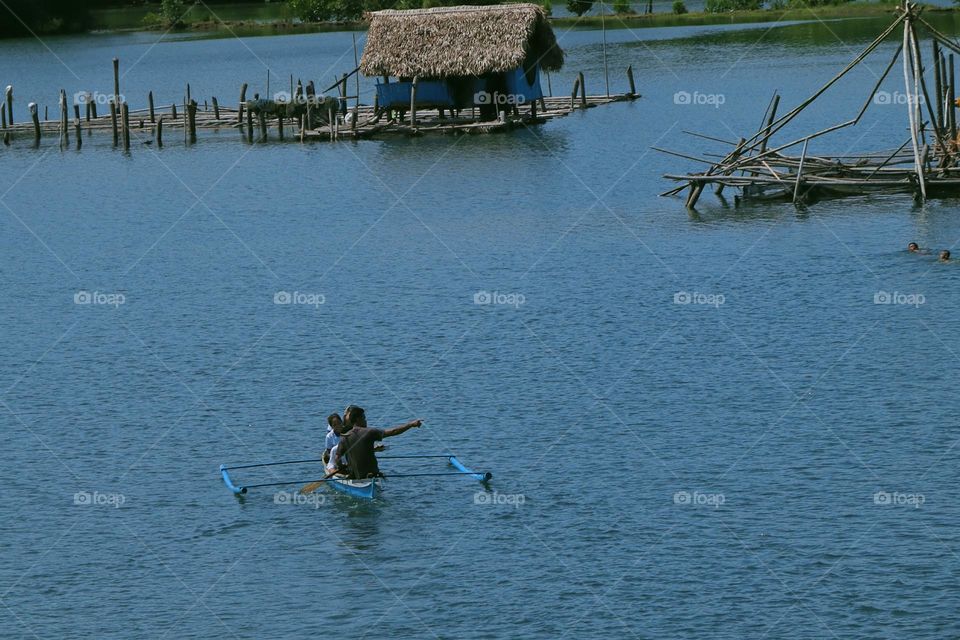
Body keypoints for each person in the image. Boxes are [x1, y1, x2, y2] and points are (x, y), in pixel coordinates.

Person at [333, 405, 422, 479]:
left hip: (356, 477)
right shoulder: (370, 432)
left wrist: (341, 467)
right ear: (357, 419)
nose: (366, 420)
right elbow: (393, 431)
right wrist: (411, 424)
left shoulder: (344, 437)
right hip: (372, 475)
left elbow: (337, 458)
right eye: (364, 418)